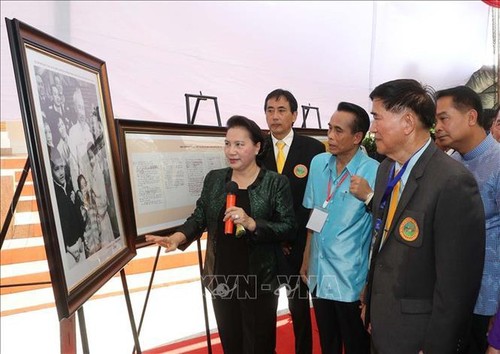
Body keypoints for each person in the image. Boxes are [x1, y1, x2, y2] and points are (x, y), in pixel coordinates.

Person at [146, 115, 296, 354]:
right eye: (227, 143)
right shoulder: (215, 179)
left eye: (239, 144)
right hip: (222, 277)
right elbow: (199, 217)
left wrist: (252, 223)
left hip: (259, 280)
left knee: (260, 345)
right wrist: (177, 238)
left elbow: (288, 226)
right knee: (231, 343)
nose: (231, 151)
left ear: (257, 147)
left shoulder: (275, 183)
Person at [365, 79, 485, 354]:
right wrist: (371, 305)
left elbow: (457, 284)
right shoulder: (385, 170)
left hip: (419, 337)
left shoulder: (452, 182)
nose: (373, 128)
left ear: (407, 122)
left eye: (377, 118)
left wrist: (436, 346)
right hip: (383, 324)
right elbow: (381, 244)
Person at [300, 101, 379, 354]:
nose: (330, 136)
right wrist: (307, 255)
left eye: (338, 131)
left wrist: (371, 281)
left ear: (357, 137)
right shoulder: (318, 163)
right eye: (329, 128)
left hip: (351, 280)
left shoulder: (374, 171)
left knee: (357, 345)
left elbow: (380, 230)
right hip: (319, 272)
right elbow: (316, 211)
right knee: (328, 343)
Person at [434, 85, 500, 354]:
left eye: (444, 118)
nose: (437, 126)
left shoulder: (497, 163)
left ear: (471, 117)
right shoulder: (452, 161)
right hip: (451, 293)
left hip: (486, 300)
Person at [261, 88, 325, 354]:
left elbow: (321, 201)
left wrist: (309, 238)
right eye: (270, 110)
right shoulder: (258, 147)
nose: (275, 117)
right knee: (264, 308)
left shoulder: (313, 149)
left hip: (300, 244)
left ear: (295, 115)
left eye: (281, 110)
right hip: (265, 243)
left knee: (299, 308)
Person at [49, 147, 85, 268]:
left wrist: (80, 239)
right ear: (51, 171)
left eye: (62, 167)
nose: (61, 172)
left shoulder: (69, 186)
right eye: (56, 169)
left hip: (79, 244)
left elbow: (78, 216)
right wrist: (68, 248)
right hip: (67, 252)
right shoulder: (53, 194)